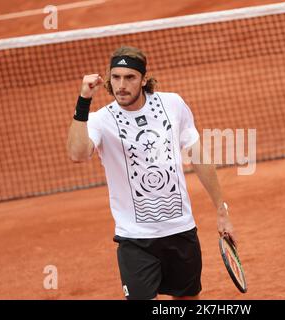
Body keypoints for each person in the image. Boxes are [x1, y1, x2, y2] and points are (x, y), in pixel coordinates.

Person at [66, 45, 236, 300]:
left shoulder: (173, 104)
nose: (121, 85)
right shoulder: (101, 120)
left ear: (144, 79)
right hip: (134, 238)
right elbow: (77, 154)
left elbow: (199, 157)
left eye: (130, 77)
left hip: (180, 230)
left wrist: (221, 210)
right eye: (116, 77)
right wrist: (83, 102)